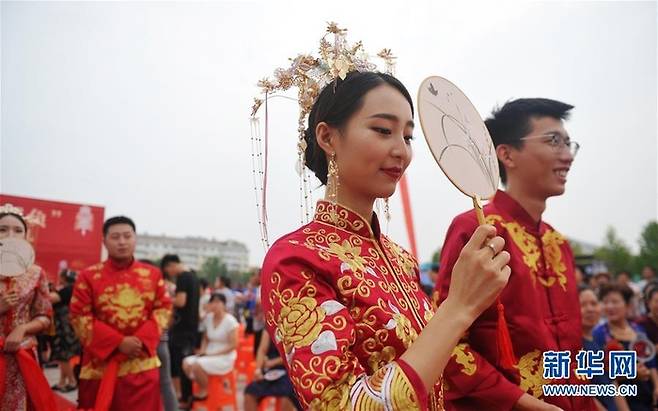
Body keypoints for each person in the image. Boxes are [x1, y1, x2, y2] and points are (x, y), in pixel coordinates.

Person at [258, 26, 511, 409]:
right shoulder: (296, 259)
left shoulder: (400, 258)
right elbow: (341, 404)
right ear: (328, 138)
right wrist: (458, 307)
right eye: (382, 130)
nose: (402, 151)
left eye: (408, 137)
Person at [434, 98, 595, 410]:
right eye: (553, 141)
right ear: (506, 154)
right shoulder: (478, 229)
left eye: (568, 143)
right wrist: (521, 402)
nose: (567, 156)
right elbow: (449, 344)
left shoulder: (557, 243)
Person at [70, 216, 172, 410]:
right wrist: (118, 343)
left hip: (141, 363)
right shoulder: (88, 276)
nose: (122, 242)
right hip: (99, 366)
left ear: (135, 239)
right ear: (104, 242)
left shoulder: (153, 275)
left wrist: (140, 341)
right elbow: (79, 316)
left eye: (127, 236)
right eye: (115, 237)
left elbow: (163, 309)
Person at [0, 205, 53, 410]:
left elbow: (44, 316)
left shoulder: (36, 273)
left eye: (17, 230)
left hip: (22, 356)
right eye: (2, 230)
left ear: (26, 236)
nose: (10, 235)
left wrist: (22, 329)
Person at [593, 284, 658, 411]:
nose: (610, 306)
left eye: (615, 302)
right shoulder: (599, 334)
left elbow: (651, 363)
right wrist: (633, 374)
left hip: (647, 396)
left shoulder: (638, 329)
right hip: (623, 401)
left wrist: (656, 386)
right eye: (606, 302)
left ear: (628, 305)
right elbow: (601, 375)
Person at [579, 286, 630, 411]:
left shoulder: (597, 342)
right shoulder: (576, 346)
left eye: (594, 303)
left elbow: (612, 383)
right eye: (583, 305)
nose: (590, 309)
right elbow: (583, 391)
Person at [182, 293, 238, 401]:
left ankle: (205, 390)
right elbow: (206, 338)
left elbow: (233, 345)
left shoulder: (230, 321)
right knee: (186, 362)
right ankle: (204, 382)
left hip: (225, 356)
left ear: (224, 304)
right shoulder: (209, 318)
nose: (214, 305)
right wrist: (203, 350)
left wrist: (212, 354)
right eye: (212, 302)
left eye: (218, 302)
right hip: (209, 353)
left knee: (197, 365)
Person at [161, 254, 200, 407]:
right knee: (185, 363)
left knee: (180, 364)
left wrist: (165, 297)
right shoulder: (193, 277)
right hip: (190, 327)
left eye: (167, 270)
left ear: (171, 266)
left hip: (182, 329)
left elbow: (181, 301)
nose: (169, 274)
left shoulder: (183, 277)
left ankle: (185, 399)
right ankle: (186, 397)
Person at [243, 330, 301, 411]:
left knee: (289, 393)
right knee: (250, 392)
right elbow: (262, 350)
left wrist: (273, 362)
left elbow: (295, 353)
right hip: (271, 372)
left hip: (290, 371)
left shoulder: (294, 327)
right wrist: (258, 369)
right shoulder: (269, 327)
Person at [49, 268, 81, 392]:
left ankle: (72, 381)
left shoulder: (68, 290)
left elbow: (51, 299)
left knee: (64, 355)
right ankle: (62, 382)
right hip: (67, 326)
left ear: (63, 278)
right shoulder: (74, 288)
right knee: (63, 355)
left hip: (64, 328)